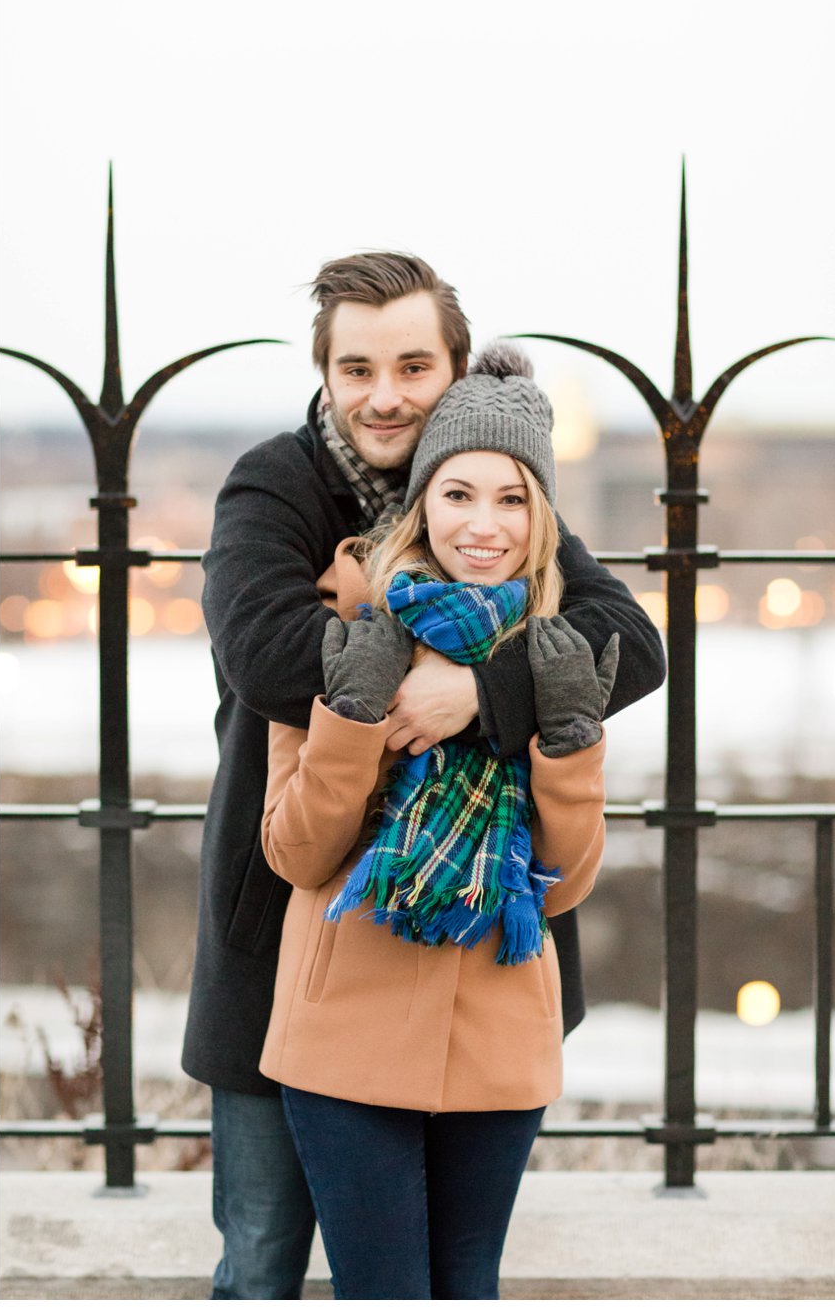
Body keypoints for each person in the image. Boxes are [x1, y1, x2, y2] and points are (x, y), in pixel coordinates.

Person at [182, 254, 663, 1299]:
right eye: (356, 369)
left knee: (453, 1272)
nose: (384, 394)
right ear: (325, 374)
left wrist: (477, 693)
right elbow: (265, 655)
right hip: (296, 918)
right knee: (263, 1254)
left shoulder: (488, 477)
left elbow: (627, 643)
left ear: (454, 369)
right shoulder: (276, 483)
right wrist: (407, 650)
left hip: (481, 936)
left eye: (411, 364)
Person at [259, 342, 605, 1297]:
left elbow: (566, 880)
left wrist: (569, 738)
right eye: (458, 494)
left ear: (541, 518)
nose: (483, 524)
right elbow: (296, 850)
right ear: (422, 502)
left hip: (497, 1030)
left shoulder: (558, 644)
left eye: (512, 498)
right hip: (344, 1028)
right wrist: (351, 717)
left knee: (466, 1284)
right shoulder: (348, 624)